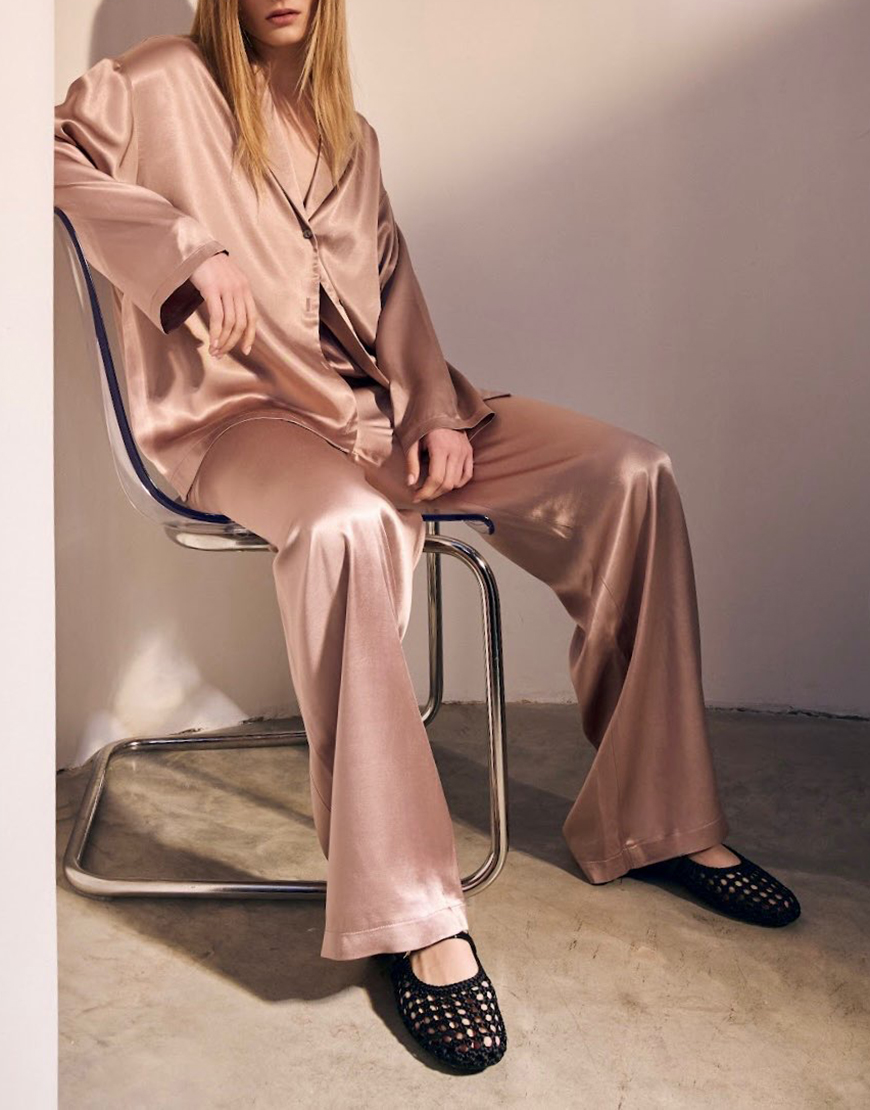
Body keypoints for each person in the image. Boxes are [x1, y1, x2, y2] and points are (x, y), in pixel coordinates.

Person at [54, 0, 800, 1075]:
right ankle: (409, 914)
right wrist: (185, 250)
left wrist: (436, 412)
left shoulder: (348, 135)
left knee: (630, 473)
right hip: (241, 422)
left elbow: (395, 288)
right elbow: (44, 156)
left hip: (381, 420)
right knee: (348, 525)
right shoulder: (158, 81)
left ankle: (660, 821)